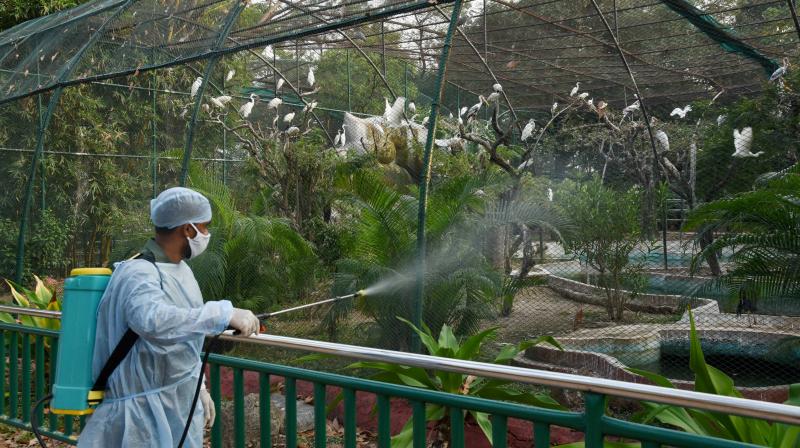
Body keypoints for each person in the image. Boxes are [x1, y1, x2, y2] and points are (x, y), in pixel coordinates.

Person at [78, 187, 261, 447]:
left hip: (177, 402)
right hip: (139, 416)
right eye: (204, 227)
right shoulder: (138, 273)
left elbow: (185, 336)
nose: (207, 234)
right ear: (187, 229)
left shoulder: (182, 271)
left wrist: (199, 386)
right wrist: (222, 313)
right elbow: (152, 321)